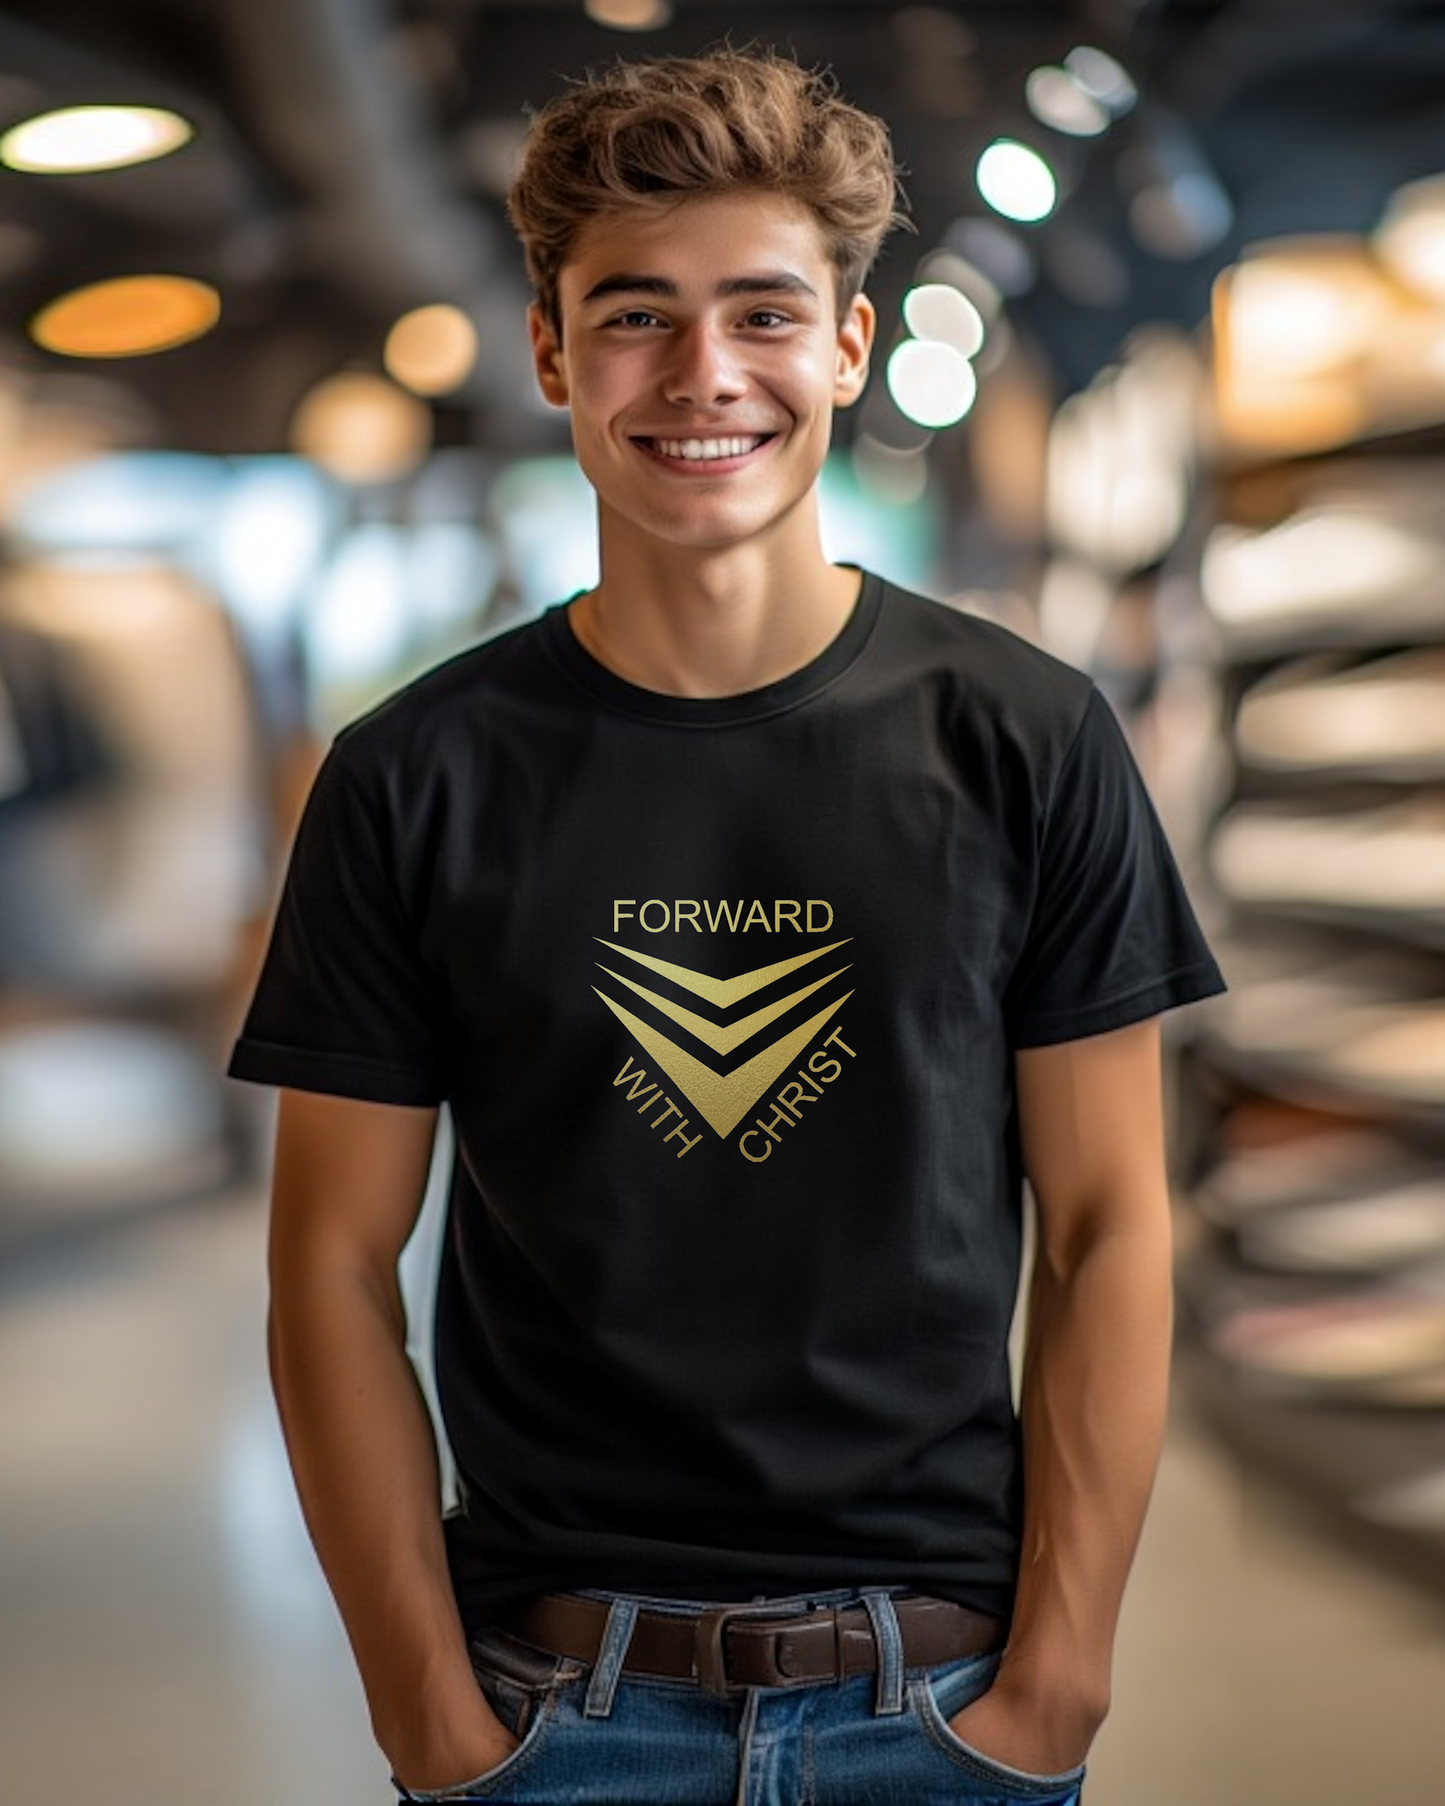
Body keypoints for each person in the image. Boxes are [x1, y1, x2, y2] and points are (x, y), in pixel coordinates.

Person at [229, 45, 1225, 1806]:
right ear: (549, 348)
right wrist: (426, 1716)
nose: (705, 376)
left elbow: (1108, 1219)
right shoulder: (413, 775)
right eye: (636, 316)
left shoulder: (1028, 735)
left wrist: (1060, 1675)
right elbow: (326, 1263)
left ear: (847, 341)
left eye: (765, 314)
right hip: (548, 1701)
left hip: (941, 1695)